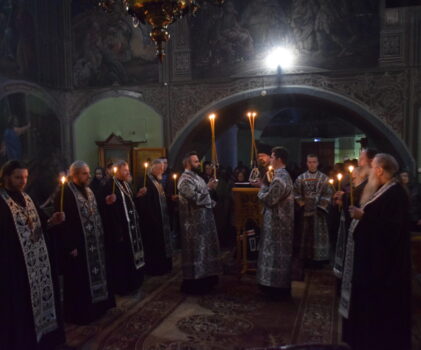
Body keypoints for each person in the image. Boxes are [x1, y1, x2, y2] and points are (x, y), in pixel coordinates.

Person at [340, 153, 411, 350]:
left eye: (373, 168)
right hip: (375, 262)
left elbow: (391, 229)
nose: (371, 172)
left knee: (379, 309)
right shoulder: (386, 190)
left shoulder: (395, 193)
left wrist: (364, 217)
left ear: (379, 170)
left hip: (385, 268)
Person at [0, 160, 66, 350]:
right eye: (18, 177)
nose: (23, 181)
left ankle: (46, 338)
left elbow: (41, 225)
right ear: (6, 177)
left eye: (25, 177)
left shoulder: (27, 198)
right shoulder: (2, 201)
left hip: (37, 264)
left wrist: (53, 221)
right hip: (15, 267)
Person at [55, 161, 115, 325]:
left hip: (94, 242)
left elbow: (96, 212)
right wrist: (70, 245)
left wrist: (106, 202)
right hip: (79, 246)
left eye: (88, 173)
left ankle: (99, 306)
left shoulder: (88, 190)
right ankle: (81, 313)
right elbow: (63, 224)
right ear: (73, 175)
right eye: (84, 173)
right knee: (79, 280)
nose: (88, 176)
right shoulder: (65, 193)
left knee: (97, 274)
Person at [178, 151, 222, 294]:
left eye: (198, 161)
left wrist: (211, 192)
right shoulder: (184, 180)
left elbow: (205, 195)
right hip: (193, 224)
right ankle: (196, 283)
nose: (199, 164)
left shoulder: (197, 177)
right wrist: (208, 188)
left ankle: (208, 279)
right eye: (196, 161)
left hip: (204, 221)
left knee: (206, 251)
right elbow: (194, 197)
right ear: (187, 163)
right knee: (197, 253)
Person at [101, 160, 145, 295]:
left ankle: (135, 282)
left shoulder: (126, 184)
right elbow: (106, 208)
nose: (128, 172)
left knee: (132, 256)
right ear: (117, 171)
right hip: (120, 229)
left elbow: (130, 204)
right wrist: (107, 202)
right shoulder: (109, 185)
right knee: (122, 259)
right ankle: (123, 286)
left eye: (128, 170)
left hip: (131, 227)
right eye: (125, 170)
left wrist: (138, 196)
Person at [257, 147, 294, 299]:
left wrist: (261, 188)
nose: (270, 160)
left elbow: (270, 199)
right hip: (277, 222)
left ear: (278, 159)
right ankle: (272, 287)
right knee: (274, 255)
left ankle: (275, 290)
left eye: (272, 157)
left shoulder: (280, 178)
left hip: (278, 224)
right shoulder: (281, 175)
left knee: (275, 256)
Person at [136, 159, 173, 275]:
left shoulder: (157, 180)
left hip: (161, 220)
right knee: (154, 246)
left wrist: (171, 198)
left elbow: (160, 197)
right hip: (152, 221)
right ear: (153, 168)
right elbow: (144, 203)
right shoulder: (145, 181)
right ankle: (155, 269)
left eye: (163, 168)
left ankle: (164, 267)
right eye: (160, 168)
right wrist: (153, 219)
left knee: (161, 244)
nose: (162, 170)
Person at [294, 154, 332, 266]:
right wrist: (301, 203)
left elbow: (328, 193)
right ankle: (306, 259)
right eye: (309, 162)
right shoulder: (301, 178)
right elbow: (295, 192)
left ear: (318, 163)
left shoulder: (324, 178)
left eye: (314, 162)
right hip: (305, 212)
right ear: (306, 163)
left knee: (318, 235)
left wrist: (321, 206)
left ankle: (319, 259)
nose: (312, 164)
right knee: (305, 235)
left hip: (319, 213)